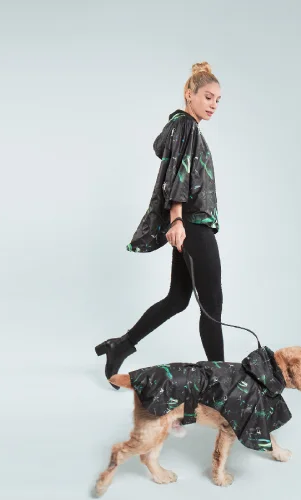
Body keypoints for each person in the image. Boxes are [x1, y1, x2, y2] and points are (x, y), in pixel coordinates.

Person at [95, 62, 224, 389]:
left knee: (178, 299)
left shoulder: (183, 127)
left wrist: (178, 221)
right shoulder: (187, 127)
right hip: (192, 225)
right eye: (207, 97)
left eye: (217, 100)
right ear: (189, 94)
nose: (213, 104)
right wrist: (177, 219)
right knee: (212, 306)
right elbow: (178, 175)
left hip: (188, 225)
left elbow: (176, 171)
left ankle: (121, 345)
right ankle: (222, 383)